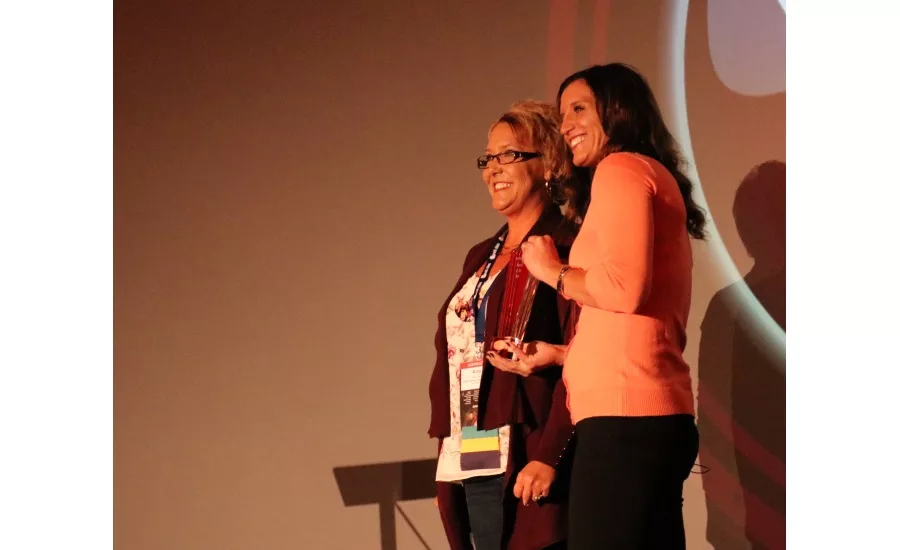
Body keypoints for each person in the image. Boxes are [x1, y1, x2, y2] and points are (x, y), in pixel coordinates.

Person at [487, 63, 708, 549]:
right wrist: (562, 355)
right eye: (563, 113)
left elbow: (623, 290)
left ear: (617, 111)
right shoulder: (644, 173)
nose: (565, 124)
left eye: (579, 109)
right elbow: (638, 323)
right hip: (645, 420)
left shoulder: (621, 168)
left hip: (625, 427)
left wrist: (553, 272)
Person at [428, 100, 581, 550]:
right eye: (488, 158)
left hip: (532, 452)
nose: (492, 168)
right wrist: (447, 458)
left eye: (509, 154)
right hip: (473, 451)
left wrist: (551, 455)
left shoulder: (567, 248)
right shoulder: (481, 255)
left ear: (549, 162)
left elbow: (586, 359)